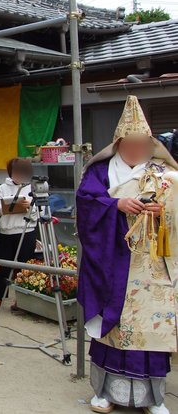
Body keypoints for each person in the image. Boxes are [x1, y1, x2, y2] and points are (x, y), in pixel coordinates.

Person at [77, 96, 178, 414]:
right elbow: (86, 204)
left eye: (141, 144)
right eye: (129, 144)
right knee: (114, 330)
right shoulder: (102, 172)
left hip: (152, 264)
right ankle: (106, 393)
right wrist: (115, 205)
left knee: (152, 327)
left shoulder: (164, 173)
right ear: (118, 143)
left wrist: (163, 211)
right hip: (114, 261)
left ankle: (153, 398)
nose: (135, 150)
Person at [0, 157, 39, 310]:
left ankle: (22, 300)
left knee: (25, 268)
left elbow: (42, 210)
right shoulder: (3, 188)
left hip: (26, 231)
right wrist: (6, 206)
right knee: (4, 267)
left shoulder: (32, 188)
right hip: (7, 232)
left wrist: (30, 206)